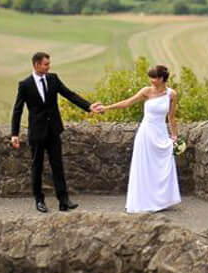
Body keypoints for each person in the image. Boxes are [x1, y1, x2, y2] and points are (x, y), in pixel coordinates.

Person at [11, 51, 104, 213]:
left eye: (49, 63)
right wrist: (14, 134)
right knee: (37, 167)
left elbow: (69, 95)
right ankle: (39, 200)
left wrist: (89, 107)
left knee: (58, 166)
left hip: (54, 130)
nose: (49, 66)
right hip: (37, 133)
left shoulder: (53, 79)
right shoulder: (25, 85)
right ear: (36, 65)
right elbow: (17, 110)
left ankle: (63, 200)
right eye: (46, 64)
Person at [103, 64, 181, 213]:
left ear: (162, 78)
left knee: (161, 168)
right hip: (146, 133)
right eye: (151, 77)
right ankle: (143, 201)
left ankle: (161, 201)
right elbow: (127, 103)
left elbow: (171, 117)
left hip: (161, 134)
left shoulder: (172, 94)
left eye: (155, 78)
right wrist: (106, 108)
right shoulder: (146, 91)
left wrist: (174, 136)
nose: (152, 80)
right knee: (144, 168)